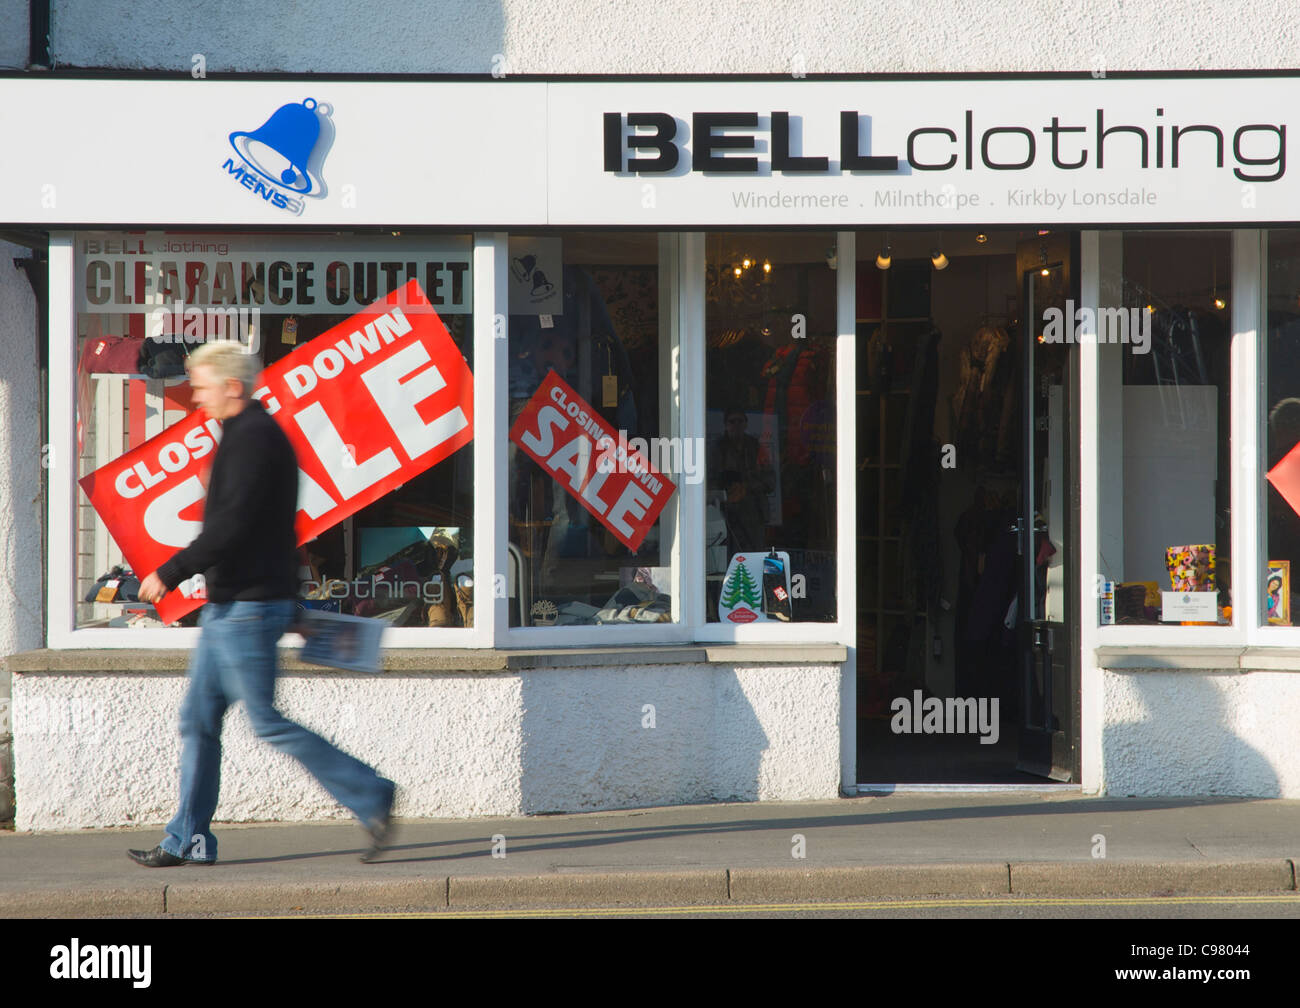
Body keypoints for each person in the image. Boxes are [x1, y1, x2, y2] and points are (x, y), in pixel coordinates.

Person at [128, 341, 396, 867]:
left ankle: (372, 794)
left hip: (246, 610)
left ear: (232, 386)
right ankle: (188, 839)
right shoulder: (247, 434)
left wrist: (170, 572)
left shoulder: (252, 439)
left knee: (267, 722)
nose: (196, 396)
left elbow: (231, 529)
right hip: (234, 606)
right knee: (200, 719)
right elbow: (264, 529)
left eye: (202, 385)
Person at [708, 406, 775, 554]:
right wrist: (726, 490)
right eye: (732, 422)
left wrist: (747, 486)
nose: (736, 425)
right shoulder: (717, 449)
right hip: (727, 515)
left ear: (746, 424)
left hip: (754, 515)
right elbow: (708, 481)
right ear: (726, 425)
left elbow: (771, 481)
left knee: (755, 558)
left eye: (740, 421)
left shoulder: (757, 447)